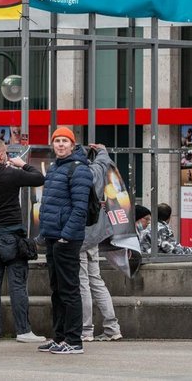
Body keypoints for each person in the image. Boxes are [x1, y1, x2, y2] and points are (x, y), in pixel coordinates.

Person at [0, 138, 45, 344]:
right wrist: (22, 165)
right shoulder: (11, 174)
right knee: (17, 285)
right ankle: (23, 331)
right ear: (2, 155)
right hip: (12, 236)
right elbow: (39, 178)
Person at [37, 126, 94, 355]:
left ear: (72, 144)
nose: (60, 144)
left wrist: (65, 236)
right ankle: (59, 337)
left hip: (66, 239)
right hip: (52, 237)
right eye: (57, 140)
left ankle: (74, 340)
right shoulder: (53, 169)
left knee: (69, 290)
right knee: (56, 290)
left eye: (64, 141)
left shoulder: (79, 170)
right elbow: (49, 205)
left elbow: (79, 209)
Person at [79, 144, 121, 342]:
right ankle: (112, 327)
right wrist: (103, 150)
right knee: (96, 279)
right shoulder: (98, 169)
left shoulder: (79, 173)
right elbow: (103, 161)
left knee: (82, 283)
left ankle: (86, 329)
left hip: (79, 236)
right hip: (95, 234)